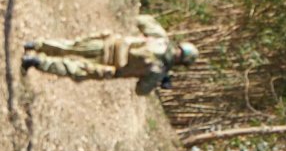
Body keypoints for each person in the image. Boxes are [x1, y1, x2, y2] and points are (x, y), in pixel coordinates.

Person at [21, 15, 197, 95]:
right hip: (107, 67)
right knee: (73, 69)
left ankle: (35, 45)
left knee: (69, 47)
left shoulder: (160, 38)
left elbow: (142, 19)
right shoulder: (159, 71)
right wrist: (158, 80)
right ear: (181, 63)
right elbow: (141, 90)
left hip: (109, 43)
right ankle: (35, 61)